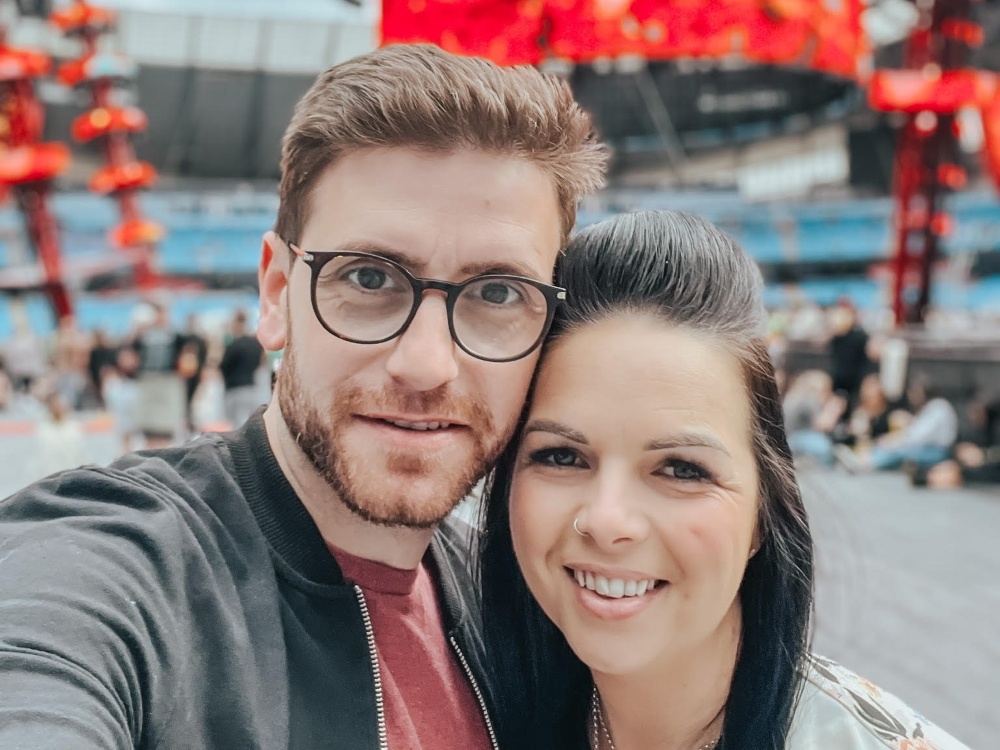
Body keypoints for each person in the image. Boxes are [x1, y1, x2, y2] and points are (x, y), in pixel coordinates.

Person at [0, 44, 607, 749]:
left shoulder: (521, 598)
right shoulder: (117, 562)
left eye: (497, 293)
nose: (426, 364)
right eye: (371, 280)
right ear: (277, 294)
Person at [478, 211, 969, 750]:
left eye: (681, 469)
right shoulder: (469, 713)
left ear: (764, 509)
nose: (607, 520)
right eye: (562, 457)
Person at [219, 309, 266, 428]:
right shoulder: (255, 344)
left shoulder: (233, 345)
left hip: (235, 389)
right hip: (251, 388)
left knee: (236, 425)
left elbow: (224, 366)